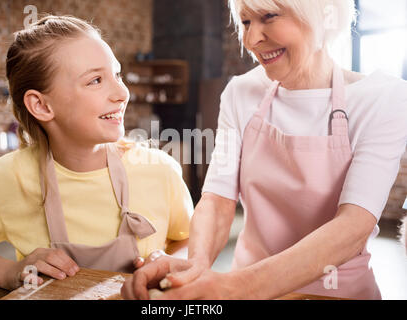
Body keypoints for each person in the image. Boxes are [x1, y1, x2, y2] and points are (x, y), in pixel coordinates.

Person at [122, 0, 407, 300]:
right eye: (245, 23)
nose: (250, 39)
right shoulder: (240, 92)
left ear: (325, 14)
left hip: (336, 292)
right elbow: (218, 200)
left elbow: (354, 227)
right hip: (245, 286)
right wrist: (194, 270)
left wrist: (234, 288)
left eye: (269, 17)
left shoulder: (384, 99)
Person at [0, 15, 193, 291]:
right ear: (42, 106)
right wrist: (8, 271)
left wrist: (170, 262)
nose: (121, 92)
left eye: (117, 75)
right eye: (95, 80)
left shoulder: (159, 169)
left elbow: (191, 239)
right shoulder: (8, 178)